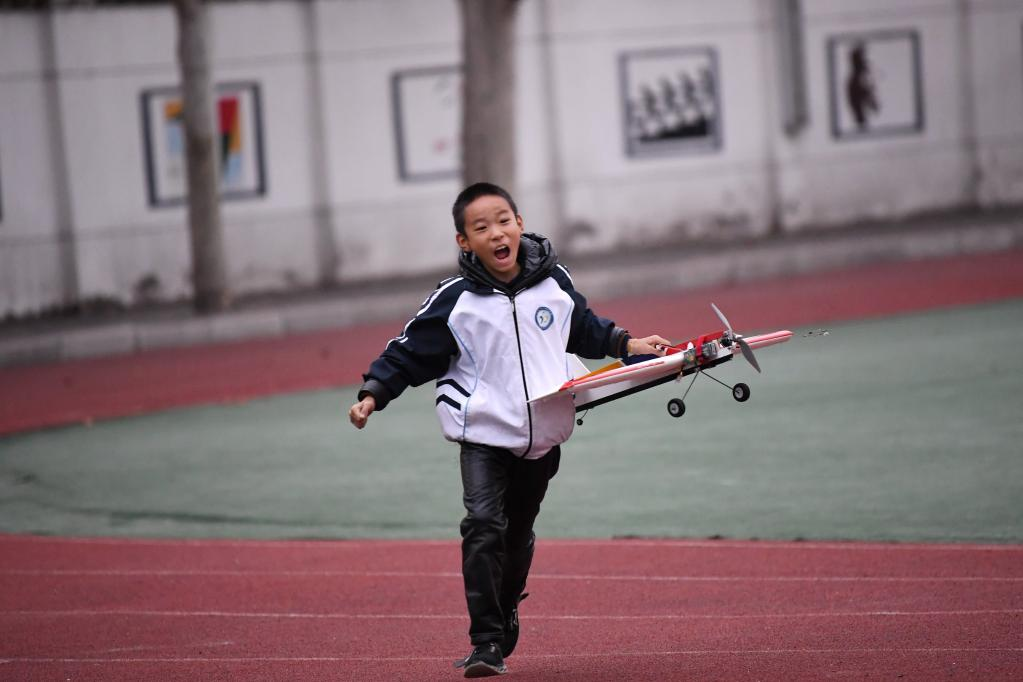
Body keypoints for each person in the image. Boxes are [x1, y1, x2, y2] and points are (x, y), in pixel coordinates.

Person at [349, 182, 669, 677]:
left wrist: (629, 342)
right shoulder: (456, 300)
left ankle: (505, 607)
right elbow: (410, 351)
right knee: (482, 526)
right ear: (464, 242)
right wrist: (373, 393)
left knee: (515, 536)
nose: (496, 233)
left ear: (519, 224)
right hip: (482, 436)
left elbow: (585, 328)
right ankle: (486, 643)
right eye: (481, 227)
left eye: (503, 221)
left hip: (542, 436)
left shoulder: (553, 281)